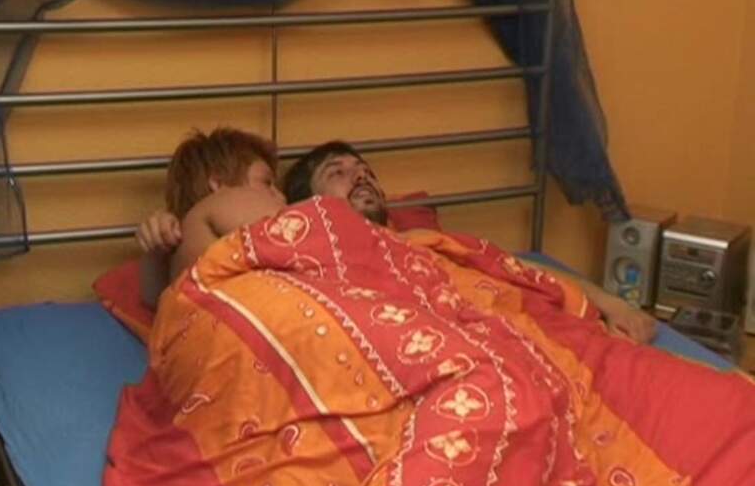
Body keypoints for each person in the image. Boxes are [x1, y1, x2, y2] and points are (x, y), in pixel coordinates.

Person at [281, 140, 658, 343]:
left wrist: (615, 305)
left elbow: (518, 269)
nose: (361, 177)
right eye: (338, 173)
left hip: (529, 340)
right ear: (305, 205)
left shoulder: (425, 242)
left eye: (366, 172)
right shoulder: (307, 266)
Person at [137, 128, 284, 306]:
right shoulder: (217, 205)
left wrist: (155, 253)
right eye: (266, 183)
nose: (281, 197)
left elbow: (153, 300)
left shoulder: (186, 246)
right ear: (219, 184)